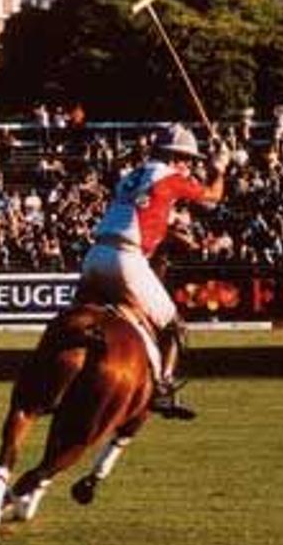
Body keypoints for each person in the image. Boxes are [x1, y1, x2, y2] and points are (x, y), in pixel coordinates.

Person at [76, 123, 227, 420]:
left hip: (94, 257)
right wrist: (220, 167)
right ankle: (162, 388)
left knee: (73, 324)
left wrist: (170, 225)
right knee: (174, 326)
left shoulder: (132, 176)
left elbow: (146, 210)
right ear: (176, 157)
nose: (189, 166)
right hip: (126, 260)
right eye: (188, 160)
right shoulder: (171, 177)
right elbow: (212, 197)